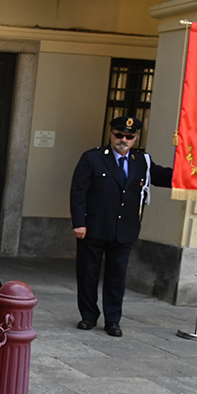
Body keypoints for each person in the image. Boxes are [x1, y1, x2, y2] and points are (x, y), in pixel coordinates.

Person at [69, 115, 172, 337]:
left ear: (135, 138)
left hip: (124, 229)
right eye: (119, 135)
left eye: (129, 136)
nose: (123, 139)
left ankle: (113, 320)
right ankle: (88, 316)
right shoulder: (93, 158)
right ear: (111, 134)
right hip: (94, 227)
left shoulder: (141, 161)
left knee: (117, 277)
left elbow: (162, 176)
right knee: (88, 274)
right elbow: (78, 192)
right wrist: (79, 223)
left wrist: (192, 170)